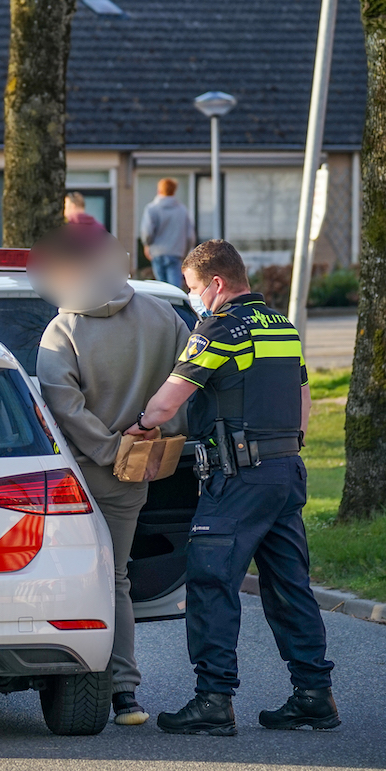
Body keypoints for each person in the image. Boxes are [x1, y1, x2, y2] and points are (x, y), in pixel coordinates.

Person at [124, 239, 336, 736]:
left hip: (237, 478)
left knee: (210, 582)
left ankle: (213, 700)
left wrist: (141, 425)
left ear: (216, 283)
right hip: (285, 472)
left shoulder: (220, 328)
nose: (192, 296)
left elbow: (168, 402)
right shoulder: (282, 327)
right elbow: (303, 403)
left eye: (192, 287)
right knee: (289, 587)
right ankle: (314, 695)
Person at [35, 228, 193, 726]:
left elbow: (65, 407)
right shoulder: (163, 316)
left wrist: (106, 449)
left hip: (72, 478)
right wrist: (153, 436)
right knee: (116, 578)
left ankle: (70, 675)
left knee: (67, 578)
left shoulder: (61, 331)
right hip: (134, 472)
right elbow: (189, 383)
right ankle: (125, 692)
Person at [140, 178, 193, 290]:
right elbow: (190, 235)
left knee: (161, 288)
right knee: (175, 289)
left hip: (157, 252)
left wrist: (147, 245)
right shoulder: (182, 210)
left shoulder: (152, 209)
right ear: (174, 191)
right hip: (176, 252)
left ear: (159, 190)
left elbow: (147, 232)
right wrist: (185, 251)